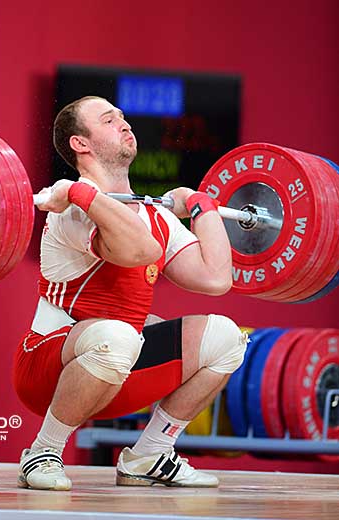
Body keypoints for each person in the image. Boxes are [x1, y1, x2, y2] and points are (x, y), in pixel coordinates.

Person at [13, 95, 248, 491]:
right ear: (80, 144)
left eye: (123, 117)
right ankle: (42, 451)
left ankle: (150, 453)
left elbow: (215, 278)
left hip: (119, 368)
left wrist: (199, 202)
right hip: (47, 370)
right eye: (109, 120)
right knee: (118, 335)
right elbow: (141, 250)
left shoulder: (152, 214)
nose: (125, 124)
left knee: (226, 337)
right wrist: (78, 194)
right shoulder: (69, 211)